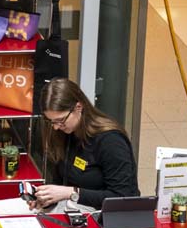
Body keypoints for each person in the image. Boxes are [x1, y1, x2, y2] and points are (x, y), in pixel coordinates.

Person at [31, 78, 139, 213]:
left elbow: (123, 197)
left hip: (103, 214)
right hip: (71, 206)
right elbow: (61, 181)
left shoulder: (110, 141)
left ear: (78, 107)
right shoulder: (65, 133)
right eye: (51, 121)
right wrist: (47, 199)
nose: (56, 127)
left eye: (61, 120)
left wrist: (72, 192)